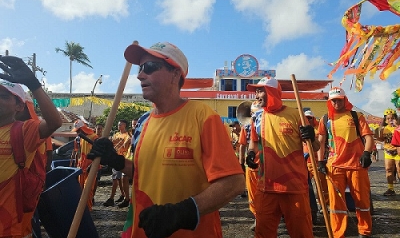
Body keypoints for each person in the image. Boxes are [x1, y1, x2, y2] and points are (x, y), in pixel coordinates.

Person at [88, 41, 245, 237]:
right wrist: (116, 161)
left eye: (150, 67)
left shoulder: (203, 117)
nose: (140, 75)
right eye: (139, 68)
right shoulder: (143, 123)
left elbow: (233, 182)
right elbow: (144, 172)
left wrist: (182, 212)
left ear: (175, 74)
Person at [245, 77, 318, 238]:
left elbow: (316, 148)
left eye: (260, 91)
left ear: (271, 92)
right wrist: (251, 153)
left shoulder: (295, 114)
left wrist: (311, 137)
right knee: (263, 234)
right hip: (266, 187)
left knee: (302, 234)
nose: (256, 95)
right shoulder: (257, 117)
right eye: (256, 91)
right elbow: (254, 142)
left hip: (294, 188)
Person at [0, 56, 62, 237]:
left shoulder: (24, 130)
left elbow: (54, 122)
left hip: (11, 229)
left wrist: (34, 85)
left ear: (19, 106)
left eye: (3, 97)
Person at [317, 87, 374, 238]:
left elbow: (368, 137)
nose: (336, 103)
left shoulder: (356, 116)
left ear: (345, 99)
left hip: (357, 165)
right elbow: (321, 142)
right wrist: (320, 161)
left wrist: (367, 153)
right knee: (336, 204)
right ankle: (338, 233)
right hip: (334, 166)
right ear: (330, 101)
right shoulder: (325, 119)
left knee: (362, 200)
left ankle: (365, 231)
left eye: (339, 100)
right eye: (333, 100)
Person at [237, 101, 262, 231]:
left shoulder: (267, 124)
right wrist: (241, 163)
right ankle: (258, 218)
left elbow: (242, 146)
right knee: (253, 195)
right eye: (253, 113)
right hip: (252, 165)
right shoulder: (246, 127)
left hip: (265, 166)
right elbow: (242, 146)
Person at [302, 109, 328, 225]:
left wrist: (322, 160)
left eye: (310, 118)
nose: (308, 120)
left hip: (317, 162)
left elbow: (322, 144)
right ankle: (311, 210)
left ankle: (324, 205)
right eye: (306, 118)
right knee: (308, 188)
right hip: (305, 162)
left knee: (321, 186)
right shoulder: (300, 127)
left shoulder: (319, 127)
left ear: (313, 118)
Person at [103, 119, 132, 208]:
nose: (119, 126)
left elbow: (126, 146)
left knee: (117, 179)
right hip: (115, 158)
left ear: (125, 126)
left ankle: (112, 198)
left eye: (121, 125)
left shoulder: (127, 135)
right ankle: (123, 196)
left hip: (122, 159)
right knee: (118, 179)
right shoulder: (116, 135)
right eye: (118, 124)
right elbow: (112, 144)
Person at [71, 119, 99, 211]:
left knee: (88, 189)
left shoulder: (94, 137)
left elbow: (98, 154)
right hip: (81, 167)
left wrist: (92, 166)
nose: (78, 132)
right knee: (81, 189)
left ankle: (88, 209)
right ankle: (82, 209)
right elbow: (78, 153)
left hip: (91, 167)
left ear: (83, 129)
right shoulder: (80, 139)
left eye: (79, 130)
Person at [378, 108, 399, 196]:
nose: (390, 120)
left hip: (398, 151)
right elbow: (379, 139)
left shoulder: (399, 128)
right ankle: (390, 189)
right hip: (388, 152)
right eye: (388, 118)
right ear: (385, 120)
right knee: (388, 170)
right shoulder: (383, 129)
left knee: (399, 169)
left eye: (392, 118)